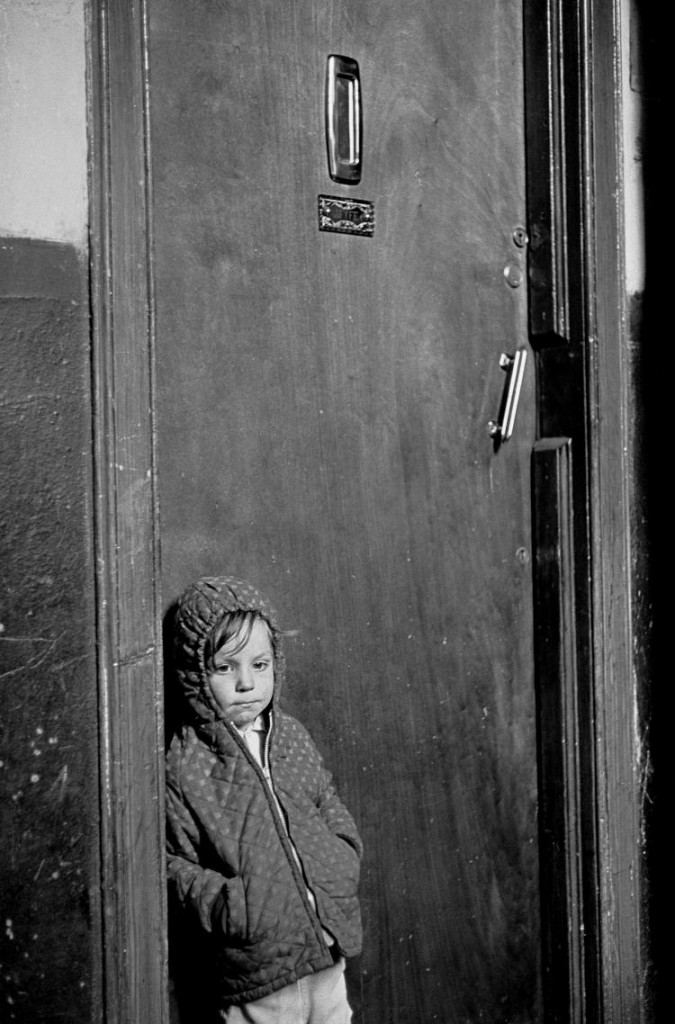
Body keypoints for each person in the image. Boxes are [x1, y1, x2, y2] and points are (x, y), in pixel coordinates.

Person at [165, 575, 363, 1023]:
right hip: (256, 970)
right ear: (196, 673)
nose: (246, 684)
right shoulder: (185, 762)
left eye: (259, 665)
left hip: (326, 951)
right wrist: (231, 906)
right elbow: (174, 863)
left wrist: (340, 858)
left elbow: (325, 799)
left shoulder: (290, 735)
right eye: (224, 668)